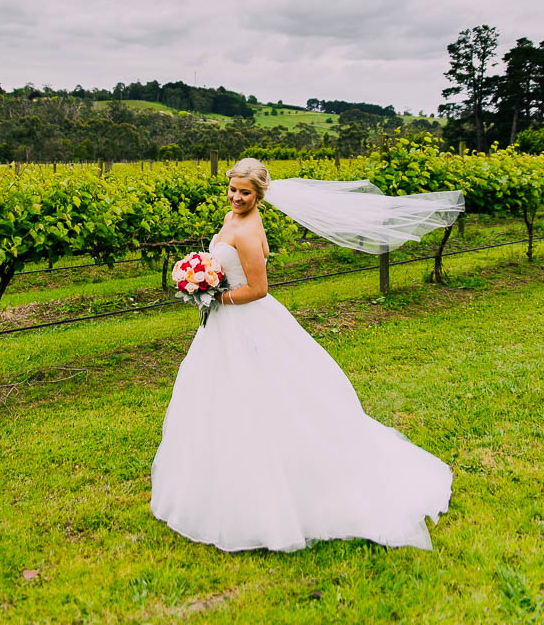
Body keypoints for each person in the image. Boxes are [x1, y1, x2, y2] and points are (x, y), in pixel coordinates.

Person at [150, 158, 456, 553]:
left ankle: (280, 487)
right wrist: (204, 277)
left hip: (245, 320)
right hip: (225, 326)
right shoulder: (231, 218)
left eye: (245, 192)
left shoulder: (246, 232)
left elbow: (257, 289)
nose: (236, 197)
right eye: (233, 190)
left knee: (265, 398)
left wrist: (210, 293)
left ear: (259, 194)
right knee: (219, 400)